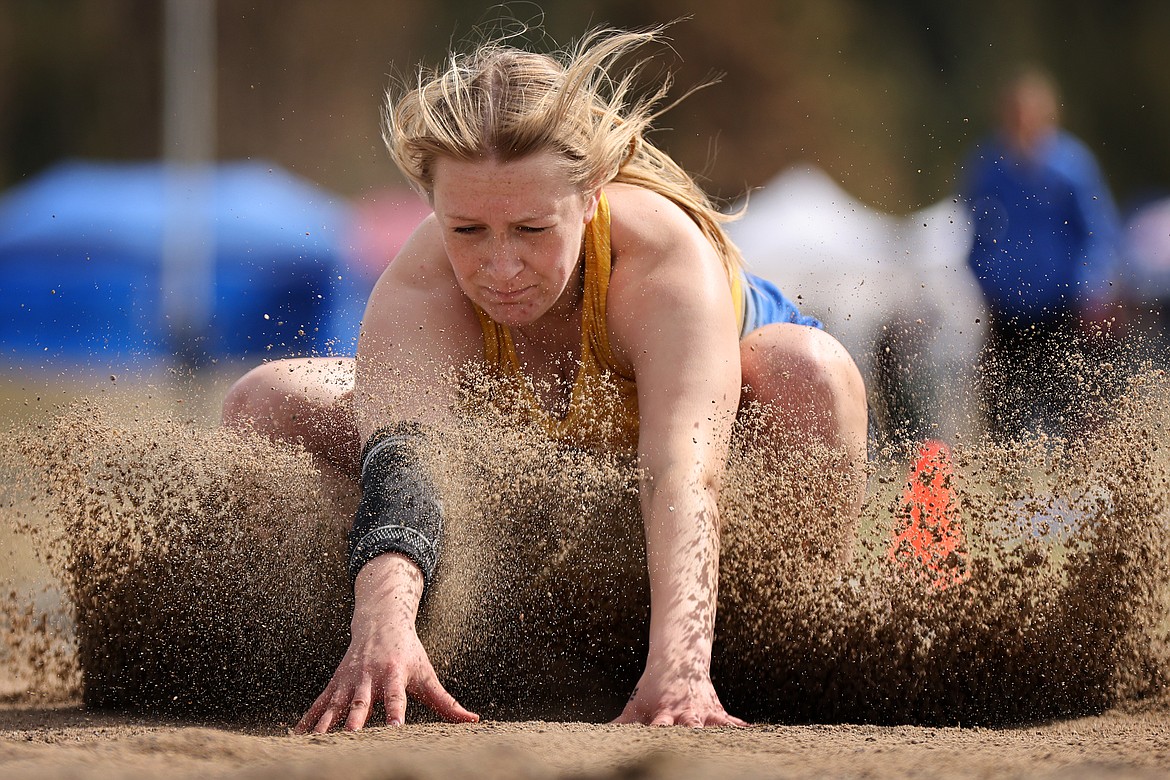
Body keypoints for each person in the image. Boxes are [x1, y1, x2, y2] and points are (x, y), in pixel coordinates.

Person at [221, 27, 868, 731]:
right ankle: (356, 641)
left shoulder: (658, 257)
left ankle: (792, 642)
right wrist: (384, 622)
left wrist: (680, 668)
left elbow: (682, 472)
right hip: (538, 473)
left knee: (811, 369)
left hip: (698, 463)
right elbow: (407, 469)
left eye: (532, 230)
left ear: (590, 196)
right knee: (264, 401)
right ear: (432, 207)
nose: (501, 269)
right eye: (468, 231)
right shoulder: (419, 284)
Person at [961, 67, 1123, 442]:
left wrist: (1090, 288)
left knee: (1073, 418)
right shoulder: (988, 169)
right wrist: (982, 280)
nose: (1021, 121)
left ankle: (1075, 497)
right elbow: (970, 230)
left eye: (1029, 112)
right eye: (1014, 112)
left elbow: (1098, 233)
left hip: (1062, 309)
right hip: (1006, 313)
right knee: (1004, 421)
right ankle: (1006, 495)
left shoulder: (1072, 167)